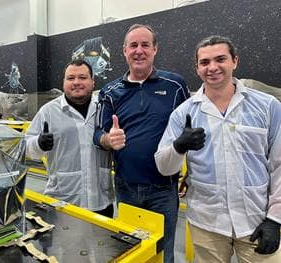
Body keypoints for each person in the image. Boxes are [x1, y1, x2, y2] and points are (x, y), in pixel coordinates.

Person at [155, 35, 281, 262]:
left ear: (235, 61)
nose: (212, 67)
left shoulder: (268, 107)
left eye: (220, 59)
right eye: (204, 62)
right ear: (197, 68)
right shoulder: (183, 114)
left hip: (256, 220)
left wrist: (275, 218)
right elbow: (164, 167)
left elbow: (279, 165)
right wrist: (178, 147)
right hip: (207, 224)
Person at [93, 24, 190, 262]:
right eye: (133, 45)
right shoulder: (109, 91)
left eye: (145, 45)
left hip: (164, 188)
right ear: (124, 51)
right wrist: (108, 139)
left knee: (164, 252)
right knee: (131, 251)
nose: (139, 50)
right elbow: (97, 134)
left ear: (155, 49)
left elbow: (191, 131)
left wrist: (191, 172)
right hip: (126, 186)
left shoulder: (175, 85)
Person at [26, 59, 114, 217]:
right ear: (64, 82)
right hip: (63, 201)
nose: (76, 82)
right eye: (71, 78)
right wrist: (38, 143)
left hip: (101, 200)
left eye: (82, 77)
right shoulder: (48, 112)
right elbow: (25, 148)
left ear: (93, 82)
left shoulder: (105, 108)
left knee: (100, 242)